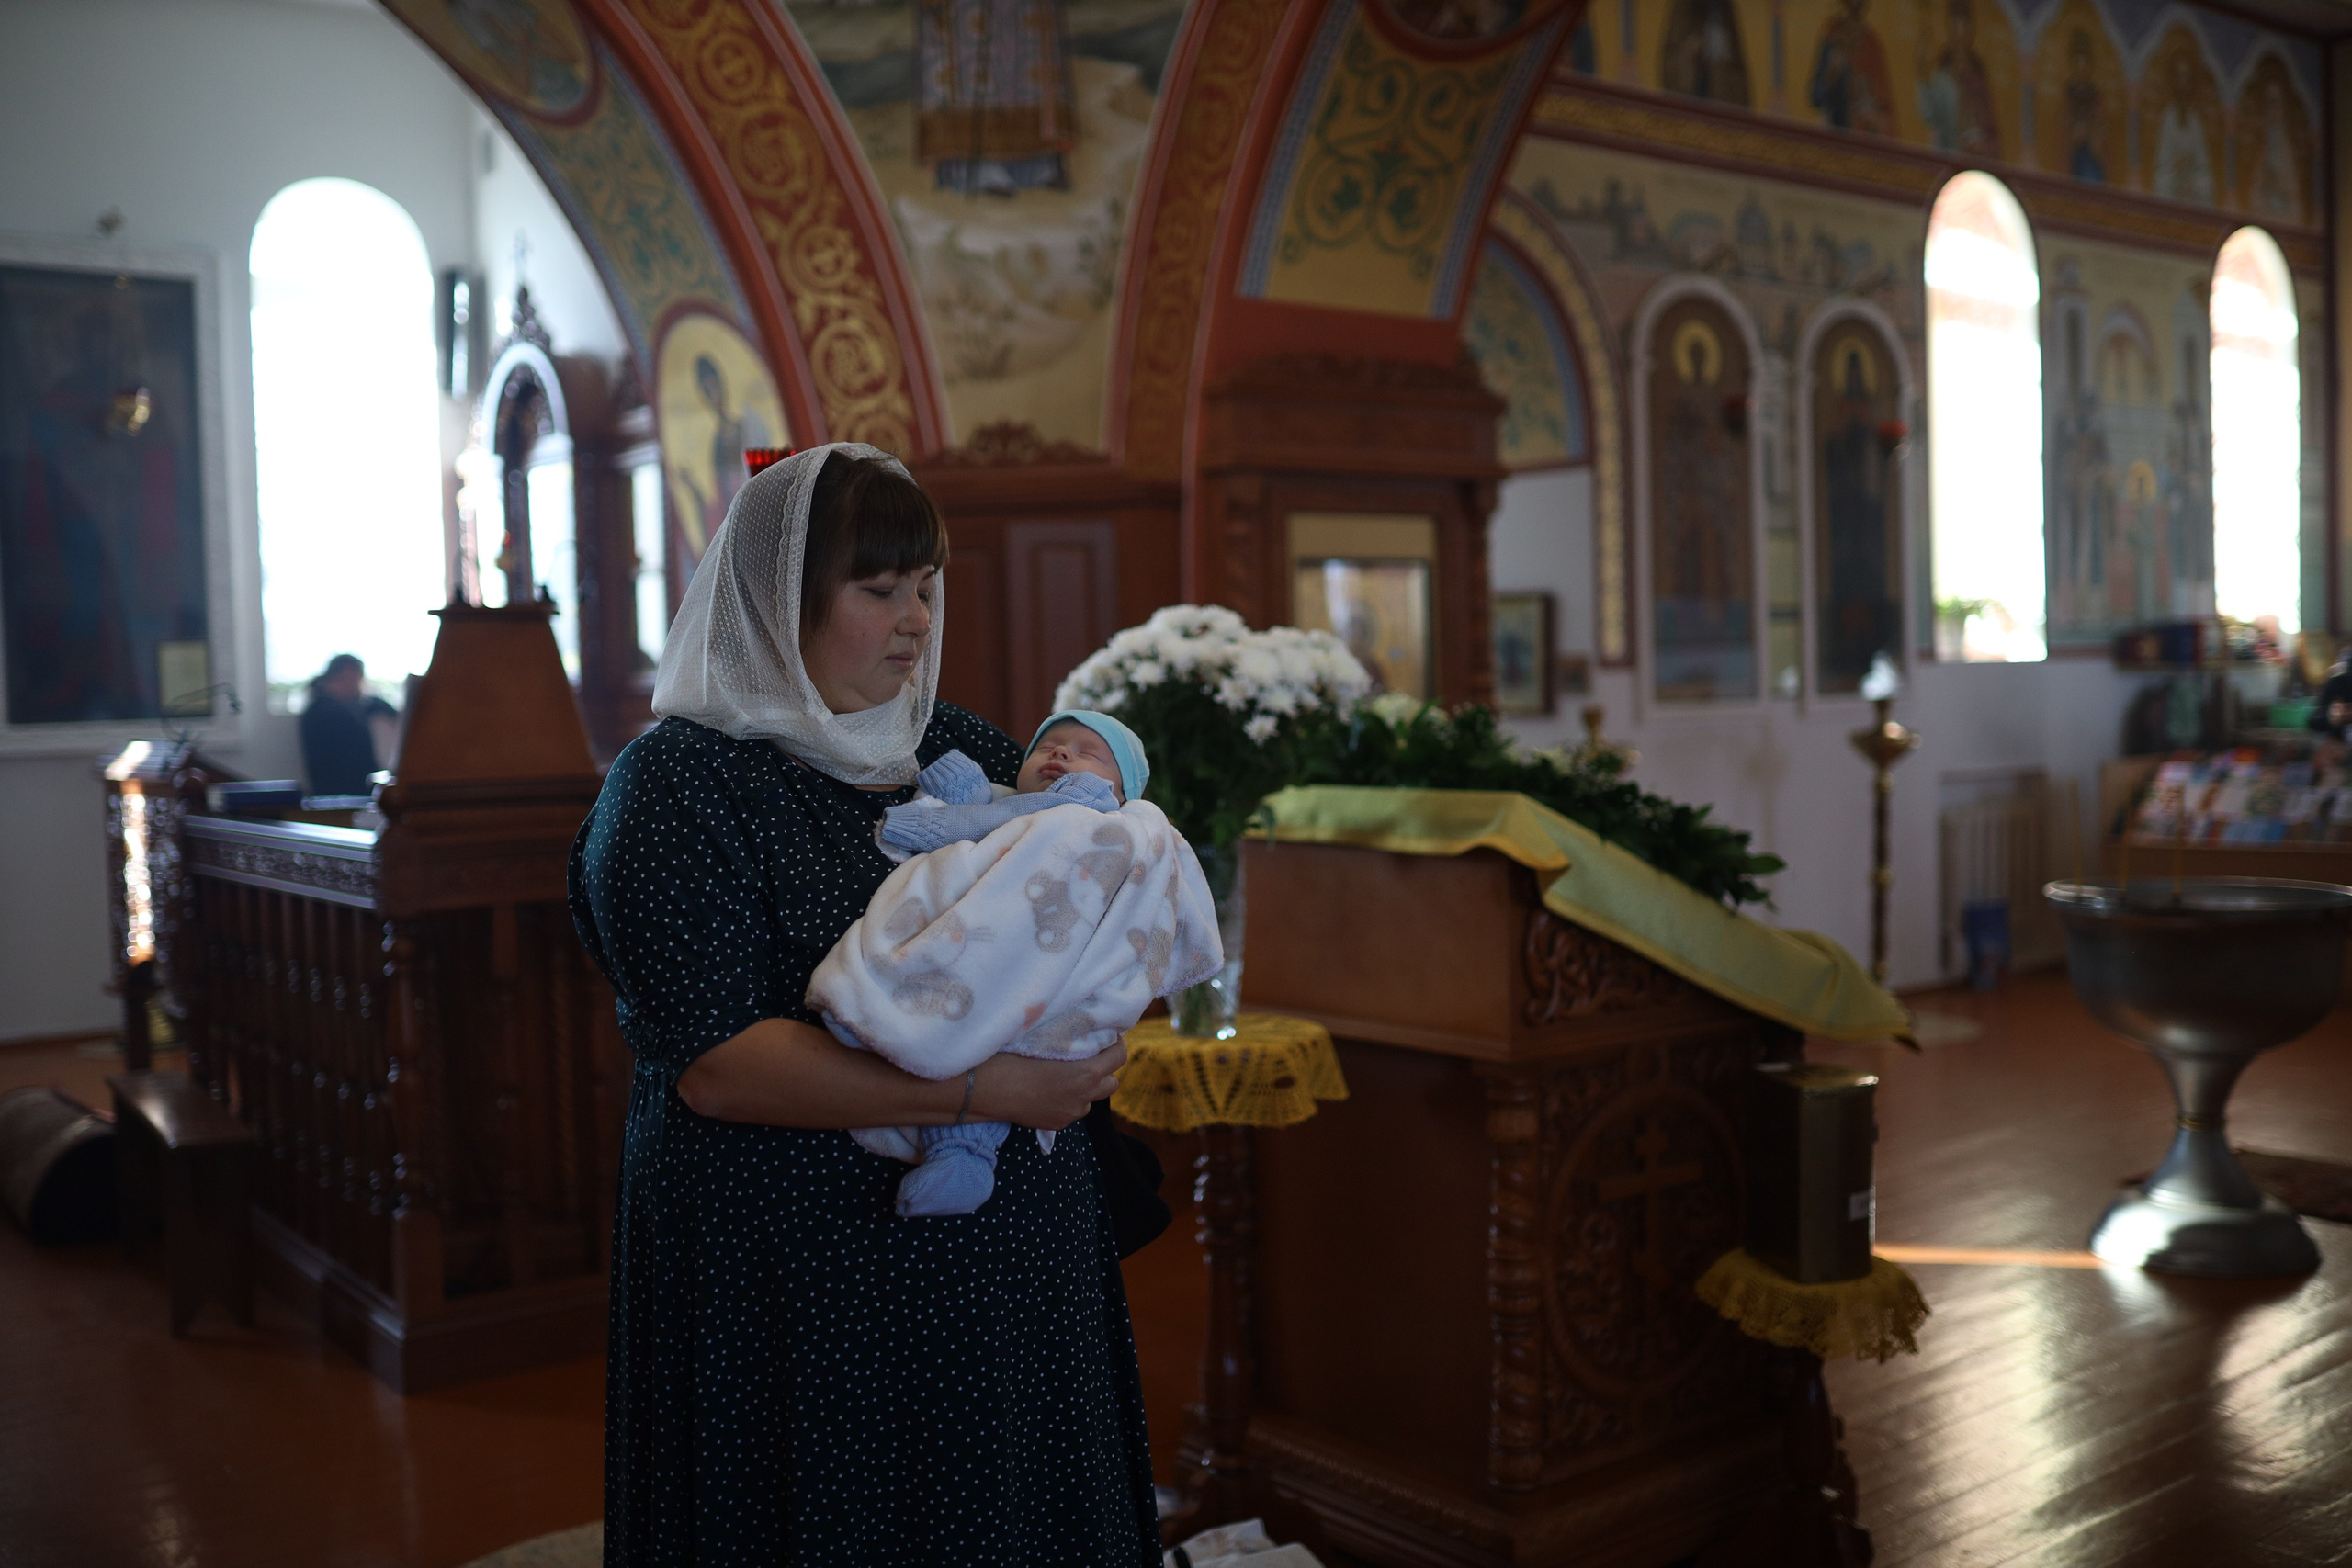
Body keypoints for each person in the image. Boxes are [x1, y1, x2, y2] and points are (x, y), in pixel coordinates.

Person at [567, 444, 1161, 1565]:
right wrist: (990, 1087)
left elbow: (1083, 888)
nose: (916, 621)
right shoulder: (676, 788)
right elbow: (720, 1063)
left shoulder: (959, 749)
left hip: (1001, 1258)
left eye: (927, 588)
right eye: (879, 591)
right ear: (775, 602)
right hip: (796, 1266)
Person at [818, 710, 1216, 1219]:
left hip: (1039, 959)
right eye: (1048, 746)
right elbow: (992, 831)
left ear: (1124, 791)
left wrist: (945, 820)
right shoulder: (1010, 803)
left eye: (1088, 752)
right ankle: (884, 1028)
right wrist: (969, 792)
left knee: (1003, 1033)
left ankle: (958, 1143)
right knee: (972, 1021)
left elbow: (1010, 824)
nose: (1062, 754)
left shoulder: (1095, 810)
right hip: (984, 930)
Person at [297, 654, 395, 796]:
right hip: (340, 795)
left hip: (345, 793)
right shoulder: (326, 712)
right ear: (346, 675)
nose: (359, 685)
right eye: (357, 678)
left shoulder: (330, 707)